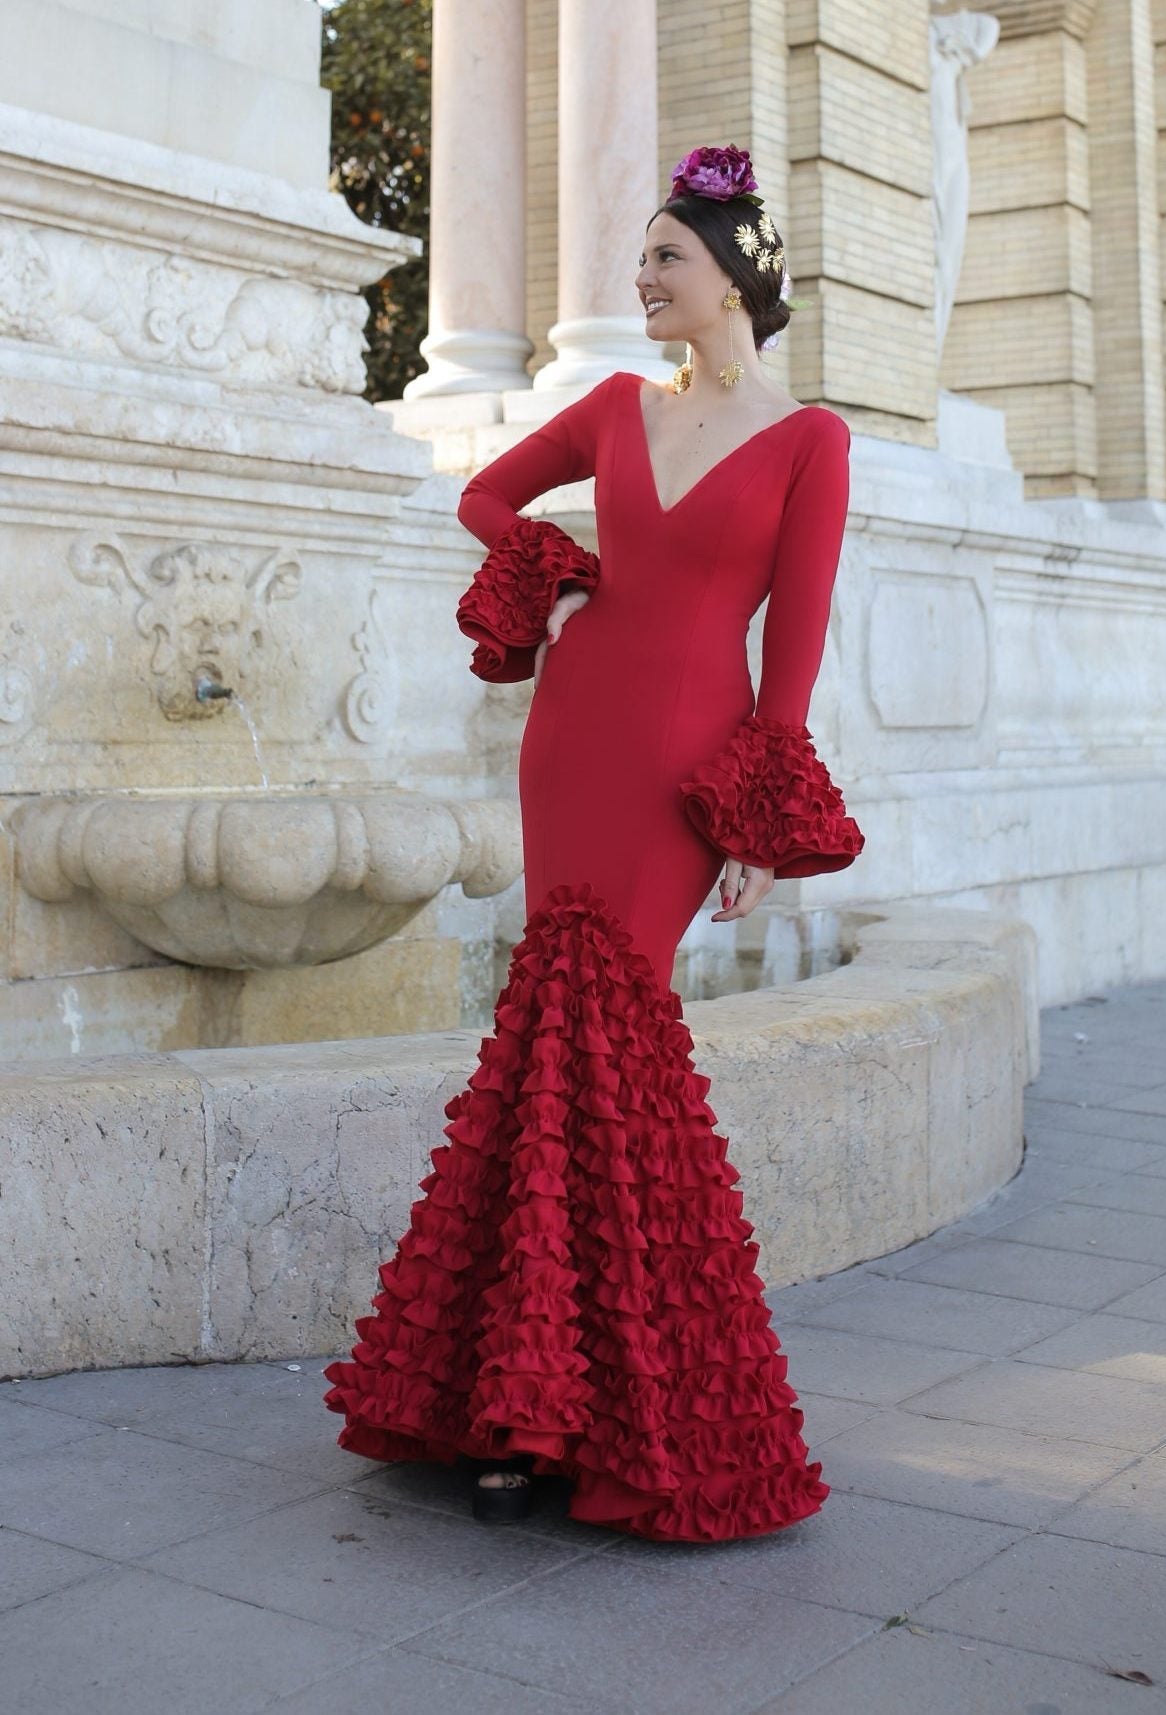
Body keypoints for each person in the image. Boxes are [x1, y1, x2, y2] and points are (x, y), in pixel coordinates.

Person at [323, 144, 865, 1542]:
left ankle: (580, 1398)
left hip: (687, 775)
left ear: (741, 274)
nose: (642, 278)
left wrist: (762, 820)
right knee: (544, 1034)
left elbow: (791, 643)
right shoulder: (616, 405)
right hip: (573, 742)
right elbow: (483, 497)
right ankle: (516, 1404)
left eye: (666, 258)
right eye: (641, 260)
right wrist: (558, 588)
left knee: (607, 1037)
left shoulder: (813, 442)